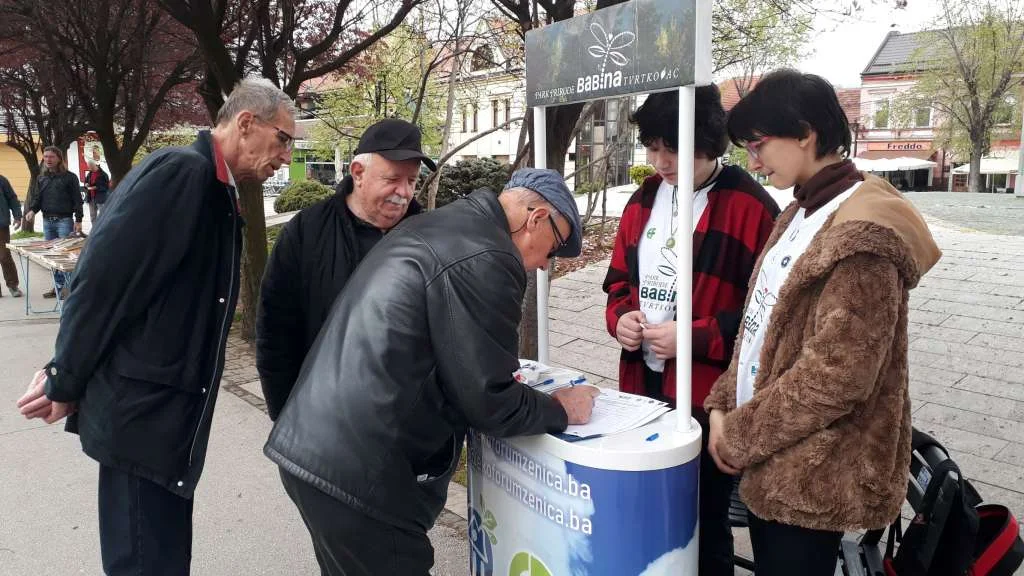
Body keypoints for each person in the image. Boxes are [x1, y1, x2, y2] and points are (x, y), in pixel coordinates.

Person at [16, 76, 296, 576]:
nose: (286, 158)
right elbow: (102, 282)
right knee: (147, 563)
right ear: (247, 123)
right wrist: (66, 374)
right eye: (284, 140)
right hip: (142, 420)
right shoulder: (182, 174)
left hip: (159, 419)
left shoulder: (214, 187)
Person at [265, 168, 600, 576]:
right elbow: (490, 402)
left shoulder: (444, 223)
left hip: (321, 451)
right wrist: (562, 408)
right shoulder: (489, 255)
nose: (547, 264)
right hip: (363, 476)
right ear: (536, 218)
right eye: (555, 247)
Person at [703, 69, 941, 576]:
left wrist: (738, 433)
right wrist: (722, 406)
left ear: (805, 132)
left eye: (760, 144)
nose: (754, 160)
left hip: (811, 474)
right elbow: (758, 327)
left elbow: (837, 377)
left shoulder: (863, 231)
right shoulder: (799, 210)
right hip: (768, 449)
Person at [602, 85, 779, 576]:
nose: (660, 160)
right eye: (652, 146)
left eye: (672, 147)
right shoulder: (643, 198)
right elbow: (617, 282)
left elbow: (770, 316)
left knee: (703, 521)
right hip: (642, 389)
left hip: (710, 400)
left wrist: (693, 337)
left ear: (706, 139)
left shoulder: (750, 207)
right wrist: (621, 320)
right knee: (650, 512)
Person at [257, 118, 433, 419]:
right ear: (358, 172)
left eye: (412, 181)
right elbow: (276, 333)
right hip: (320, 422)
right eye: (392, 179)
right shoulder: (307, 231)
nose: (403, 192)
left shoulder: (429, 237)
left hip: (406, 432)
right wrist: (287, 418)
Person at [24, 146, 83, 298]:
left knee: (64, 256)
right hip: (47, 221)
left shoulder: (70, 177)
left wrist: (79, 219)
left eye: (51, 157)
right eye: (46, 156)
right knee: (52, 256)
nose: (48, 159)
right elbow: (37, 198)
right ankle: (58, 286)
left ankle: (68, 288)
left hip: (64, 220)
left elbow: (77, 199)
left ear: (59, 159)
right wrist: (32, 210)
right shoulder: (41, 178)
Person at [0, 173, 25, 297]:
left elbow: (12, 198)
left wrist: (17, 216)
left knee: (4, 256)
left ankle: (13, 285)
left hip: (1, 225)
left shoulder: (2, 180)